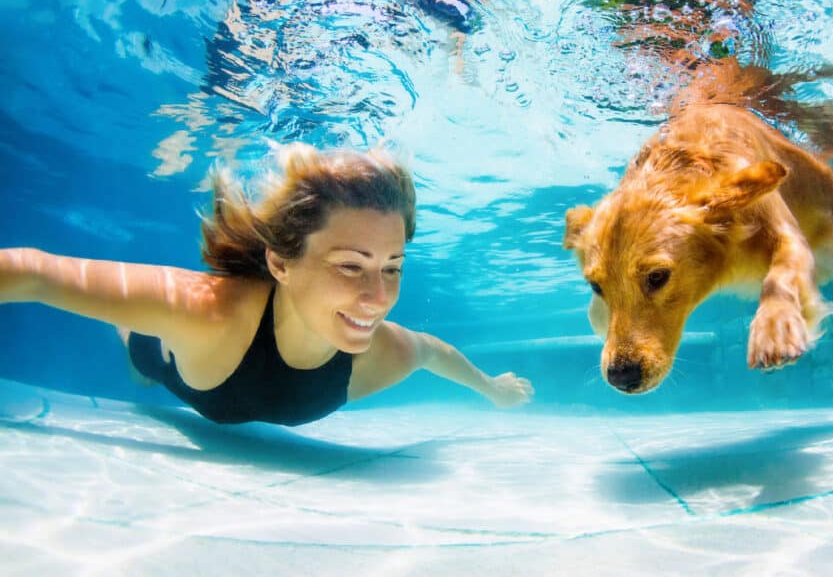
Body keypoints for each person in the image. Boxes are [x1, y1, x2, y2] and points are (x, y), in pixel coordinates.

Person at [0, 143, 534, 426]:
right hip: (167, 353)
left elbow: (431, 352)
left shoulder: (380, 352)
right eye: (350, 265)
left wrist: (491, 388)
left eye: (392, 266)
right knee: (140, 360)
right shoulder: (206, 311)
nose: (378, 296)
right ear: (280, 263)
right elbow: (31, 272)